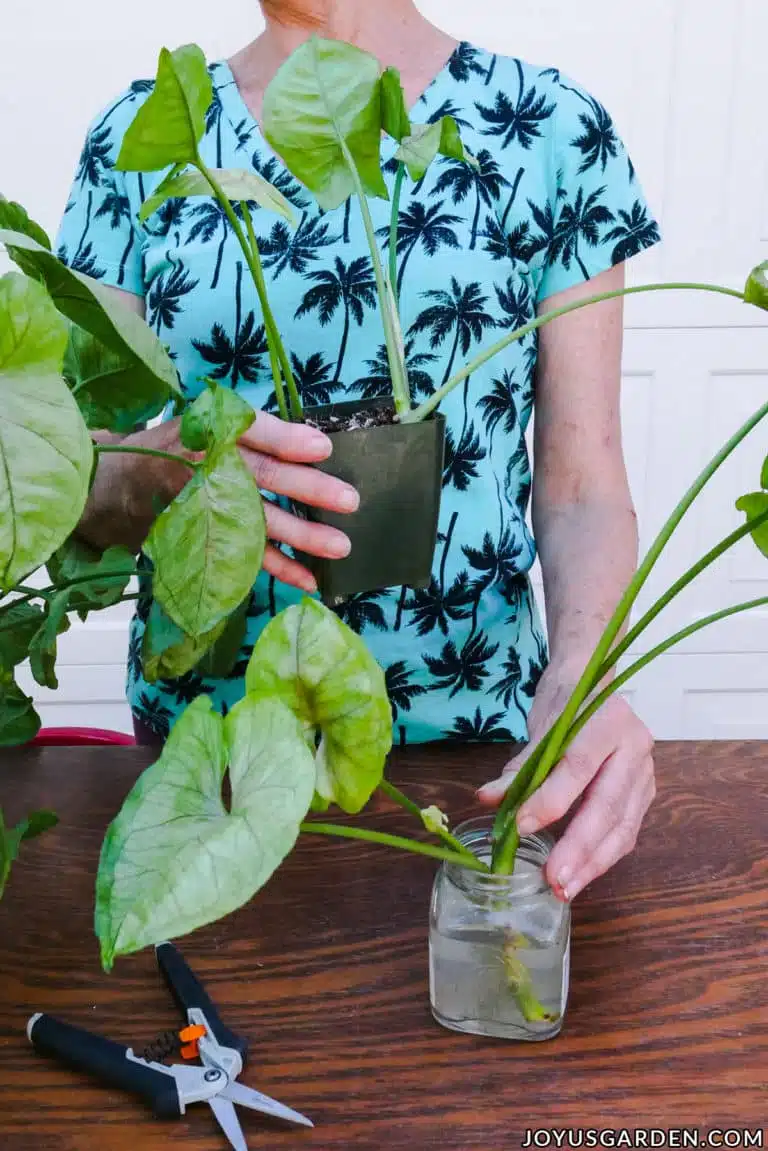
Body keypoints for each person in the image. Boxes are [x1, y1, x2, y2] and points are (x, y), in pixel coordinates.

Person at [58, 0, 661, 903]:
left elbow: (582, 486)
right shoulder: (136, 139)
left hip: (480, 755)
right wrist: (153, 465)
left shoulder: (547, 130)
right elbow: (76, 474)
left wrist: (580, 681)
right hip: (215, 755)